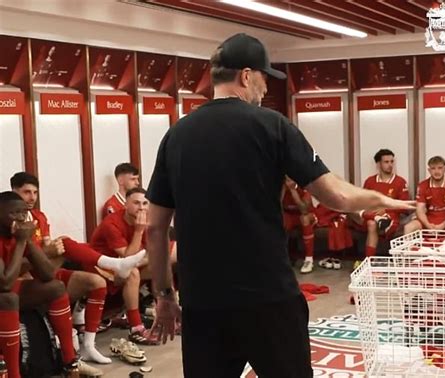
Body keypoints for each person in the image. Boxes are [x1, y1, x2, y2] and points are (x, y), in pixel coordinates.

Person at [145, 33, 413, 378]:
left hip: (203, 303)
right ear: (245, 75)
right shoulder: (272, 126)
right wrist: (382, 198)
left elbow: (154, 227)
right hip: (267, 299)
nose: (265, 89)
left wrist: (165, 295)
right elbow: (338, 197)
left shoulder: (176, 136)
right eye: (263, 78)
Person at [11, 171, 145, 364]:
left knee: (96, 282)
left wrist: (49, 251)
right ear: (14, 191)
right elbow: (16, 266)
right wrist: (47, 252)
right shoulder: (8, 223)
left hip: (43, 270)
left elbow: (47, 249)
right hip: (24, 278)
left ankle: (89, 346)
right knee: (68, 246)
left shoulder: (38, 217)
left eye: (35, 192)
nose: (32, 197)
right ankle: (113, 267)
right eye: (26, 192)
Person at [0, 191, 83, 377]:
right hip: (3, 293)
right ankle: (14, 374)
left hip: (6, 292)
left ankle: (70, 361)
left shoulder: (19, 235)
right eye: (13, 213)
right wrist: (22, 242)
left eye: (23, 213)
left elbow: (47, 274)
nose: (20, 218)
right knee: (9, 298)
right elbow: (4, 283)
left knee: (56, 287)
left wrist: (28, 241)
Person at [91, 188, 157, 345]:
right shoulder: (111, 223)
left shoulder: (146, 218)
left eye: (145, 203)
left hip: (124, 264)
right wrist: (139, 230)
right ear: (126, 204)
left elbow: (153, 251)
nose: (141, 208)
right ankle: (136, 328)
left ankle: (166, 314)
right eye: (136, 203)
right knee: (132, 272)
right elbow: (128, 259)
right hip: (100, 265)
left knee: (162, 264)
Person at [350, 149, 409, 265]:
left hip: (389, 218)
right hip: (370, 215)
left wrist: (385, 209)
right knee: (349, 209)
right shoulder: (370, 181)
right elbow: (364, 201)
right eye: (386, 162)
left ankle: (367, 262)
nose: (390, 165)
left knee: (372, 223)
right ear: (378, 164)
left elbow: (404, 205)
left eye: (392, 162)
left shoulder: (400, 182)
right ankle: (374, 217)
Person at [404, 156, 445, 234]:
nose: (436, 171)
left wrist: (442, 225)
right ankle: (410, 246)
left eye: (440, 168)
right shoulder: (422, 185)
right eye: (433, 168)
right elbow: (420, 210)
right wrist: (428, 225)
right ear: (429, 170)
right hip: (428, 220)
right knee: (408, 227)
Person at [281, 176, 316, 273]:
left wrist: (293, 190)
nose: (288, 181)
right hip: (290, 215)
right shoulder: (281, 187)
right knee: (279, 220)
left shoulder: (304, 187)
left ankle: (309, 260)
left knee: (304, 219)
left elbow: (304, 210)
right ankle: (281, 257)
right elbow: (276, 206)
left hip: (307, 215)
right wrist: (283, 189)